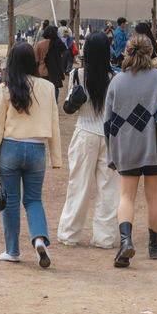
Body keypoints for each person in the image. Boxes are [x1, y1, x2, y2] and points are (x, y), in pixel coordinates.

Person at [104, 34, 157, 267]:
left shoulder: (117, 82)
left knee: (126, 196)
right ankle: (155, 246)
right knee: (154, 197)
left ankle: (125, 242)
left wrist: (112, 153)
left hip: (125, 147)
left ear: (126, 53)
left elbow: (107, 122)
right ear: (151, 53)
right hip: (154, 145)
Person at [0, 42, 61, 266]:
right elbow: (54, 124)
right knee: (33, 199)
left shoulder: (5, 88)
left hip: (10, 148)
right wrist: (56, 157)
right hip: (37, 150)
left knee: (10, 202)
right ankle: (39, 239)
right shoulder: (47, 88)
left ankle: (12, 250)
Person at [57, 31, 118, 249]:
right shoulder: (115, 79)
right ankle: (105, 237)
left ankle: (69, 234)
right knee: (109, 189)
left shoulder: (76, 75)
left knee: (79, 185)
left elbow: (68, 108)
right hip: (110, 138)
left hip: (84, 133)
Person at [34, 24, 67, 102]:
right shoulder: (58, 43)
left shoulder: (40, 44)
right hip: (55, 70)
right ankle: (54, 104)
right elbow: (64, 51)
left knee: (42, 89)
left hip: (42, 71)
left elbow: (36, 59)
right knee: (54, 88)